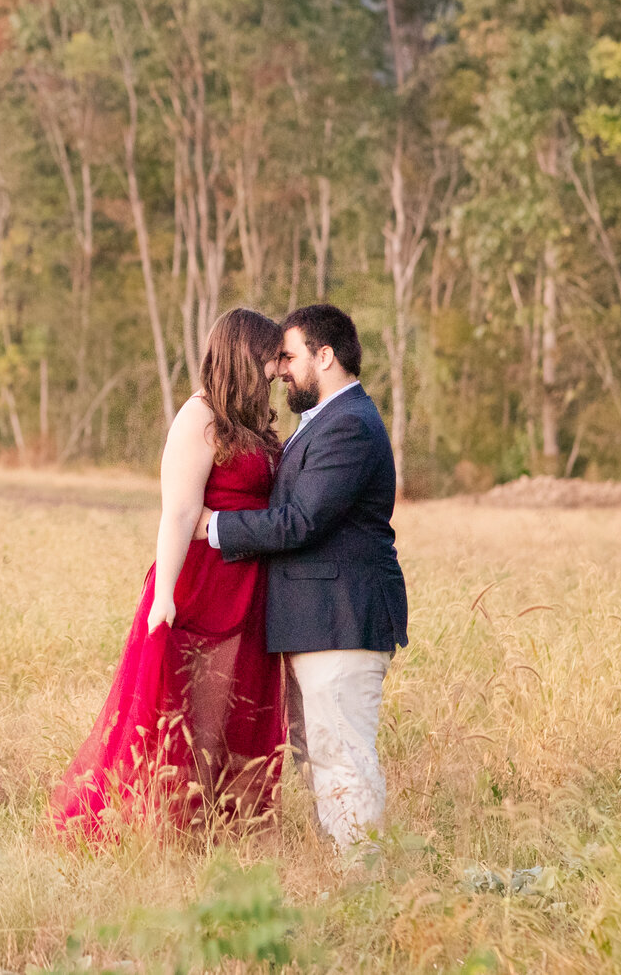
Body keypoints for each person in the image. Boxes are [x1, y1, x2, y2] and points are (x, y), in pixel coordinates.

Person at [53, 308, 288, 837]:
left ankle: (226, 824)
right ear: (246, 356)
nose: (277, 369)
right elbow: (179, 511)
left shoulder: (249, 423)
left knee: (234, 705)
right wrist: (164, 597)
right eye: (271, 358)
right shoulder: (199, 417)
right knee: (191, 708)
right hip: (202, 582)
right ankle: (167, 826)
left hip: (247, 583)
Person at [200, 303, 407, 849]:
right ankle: (347, 880)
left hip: (340, 622)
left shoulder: (349, 427)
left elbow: (304, 520)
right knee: (319, 762)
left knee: (343, 759)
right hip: (313, 624)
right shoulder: (322, 422)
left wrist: (214, 527)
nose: (281, 369)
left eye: (289, 357)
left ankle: (365, 885)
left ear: (325, 355)